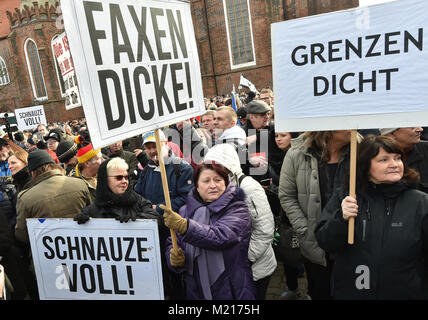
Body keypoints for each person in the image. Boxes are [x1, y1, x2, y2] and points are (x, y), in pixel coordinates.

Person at [315, 135, 428, 299]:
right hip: (352, 291)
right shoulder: (347, 197)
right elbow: (325, 241)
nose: (394, 165)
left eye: (397, 158)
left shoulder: (420, 202)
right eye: (384, 160)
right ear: (365, 165)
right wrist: (341, 219)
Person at [279, 130, 355, 300]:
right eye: (347, 122)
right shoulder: (297, 154)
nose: (354, 126)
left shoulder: (361, 151)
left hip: (351, 244)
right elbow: (286, 196)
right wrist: (304, 230)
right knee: (320, 290)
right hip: (314, 244)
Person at [162, 162, 256, 300]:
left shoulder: (238, 208)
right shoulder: (184, 211)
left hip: (231, 289)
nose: (213, 185)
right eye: (206, 181)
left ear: (225, 183)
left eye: (217, 180)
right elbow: (174, 241)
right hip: (194, 290)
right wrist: (174, 257)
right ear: (197, 186)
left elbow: (221, 236)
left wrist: (186, 227)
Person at [14, 149, 92, 299]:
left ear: (33, 172)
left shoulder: (26, 197)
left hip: (48, 260)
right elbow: (92, 215)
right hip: (83, 254)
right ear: (52, 165)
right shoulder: (79, 184)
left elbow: (22, 235)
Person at [203, 143, 276, 300]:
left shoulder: (249, 188)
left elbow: (265, 230)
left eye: (216, 166)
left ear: (229, 166)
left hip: (255, 269)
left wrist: (245, 259)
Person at [134, 130, 194, 299]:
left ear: (166, 144)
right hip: (152, 232)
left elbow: (186, 199)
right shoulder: (146, 170)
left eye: (156, 145)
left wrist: (157, 208)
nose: (153, 150)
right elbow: (138, 195)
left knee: (176, 274)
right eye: (148, 147)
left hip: (173, 232)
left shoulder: (181, 168)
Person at [73, 157, 165, 228]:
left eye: (126, 177)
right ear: (105, 180)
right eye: (119, 178)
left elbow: (157, 219)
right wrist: (82, 224)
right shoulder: (92, 210)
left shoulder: (138, 201)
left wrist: (136, 219)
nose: (124, 181)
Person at [269, 131, 304, 300]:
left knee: (298, 250)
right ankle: (292, 287)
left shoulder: (299, 156)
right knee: (289, 250)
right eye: (276, 136)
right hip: (286, 215)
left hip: (299, 213)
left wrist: (272, 181)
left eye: (283, 135)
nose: (278, 139)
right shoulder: (283, 154)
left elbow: (291, 188)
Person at [380, 127, 428, 194]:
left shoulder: (425, 149)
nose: (420, 129)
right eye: (412, 127)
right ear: (392, 133)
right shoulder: (372, 155)